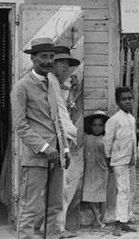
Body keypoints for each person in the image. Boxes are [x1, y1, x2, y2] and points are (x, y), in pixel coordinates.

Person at [11, 38, 73, 239]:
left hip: (57, 155)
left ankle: (52, 236)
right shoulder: (22, 87)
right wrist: (45, 147)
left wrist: (65, 149)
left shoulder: (51, 85)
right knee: (29, 206)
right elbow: (20, 125)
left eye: (51, 57)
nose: (48, 61)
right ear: (33, 58)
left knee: (55, 205)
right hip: (36, 157)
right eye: (43, 56)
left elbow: (57, 119)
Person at [52, 48, 82, 238]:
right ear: (53, 63)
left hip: (65, 136)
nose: (66, 67)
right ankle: (56, 228)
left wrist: (71, 91)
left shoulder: (60, 85)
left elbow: (65, 110)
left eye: (68, 64)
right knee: (60, 185)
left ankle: (54, 226)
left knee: (62, 184)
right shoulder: (49, 82)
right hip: (58, 137)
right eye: (62, 62)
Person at [104, 86, 137, 236]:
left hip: (130, 160)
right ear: (117, 102)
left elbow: (132, 140)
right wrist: (108, 158)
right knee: (122, 191)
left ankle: (124, 220)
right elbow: (108, 141)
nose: (127, 101)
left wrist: (134, 157)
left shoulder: (132, 119)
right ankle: (118, 223)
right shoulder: (114, 120)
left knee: (130, 190)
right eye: (124, 99)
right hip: (118, 160)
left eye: (130, 98)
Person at [81, 110, 110, 228]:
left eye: (100, 125)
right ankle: (96, 216)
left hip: (101, 169)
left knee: (102, 195)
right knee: (88, 193)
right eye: (94, 125)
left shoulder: (106, 139)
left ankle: (101, 218)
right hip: (89, 169)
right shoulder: (87, 138)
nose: (97, 128)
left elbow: (108, 156)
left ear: (104, 127)